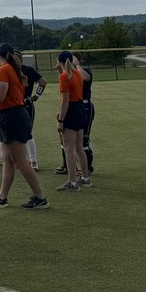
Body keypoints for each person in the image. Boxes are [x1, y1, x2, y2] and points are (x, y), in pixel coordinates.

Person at [0, 44, 49, 209]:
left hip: (12, 116)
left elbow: (0, 96)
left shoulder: (4, 69)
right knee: (7, 159)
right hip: (10, 116)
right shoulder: (12, 68)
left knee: (19, 161)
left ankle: (40, 197)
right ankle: (2, 196)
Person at [56, 51, 92, 192]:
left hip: (71, 111)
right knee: (79, 147)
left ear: (60, 62)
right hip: (80, 110)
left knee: (69, 148)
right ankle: (85, 177)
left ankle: (72, 182)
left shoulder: (64, 76)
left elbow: (65, 101)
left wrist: (60, 120)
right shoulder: (77, 73)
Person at [15, 50, 47, 171]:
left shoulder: (28, 70)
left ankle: (33, 161)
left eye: (16, 58)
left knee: (27, 133)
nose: (14, 60)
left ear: (21, 60)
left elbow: (43, 82)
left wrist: (36, 96)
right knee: (16, 134)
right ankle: (23, 160)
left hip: (26, 105)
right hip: (14, 106)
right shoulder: (8, 70)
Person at [72, 52, 96, 175]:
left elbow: (85, 78)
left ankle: (88, 167)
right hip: (75, 107)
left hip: (86, 106)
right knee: (75, 139)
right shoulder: (70, 73)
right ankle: (79, 167)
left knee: (84, 139)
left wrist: (77, 65)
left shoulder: (84, 71)